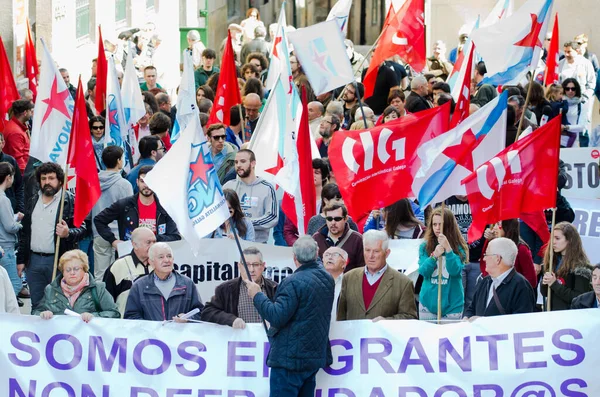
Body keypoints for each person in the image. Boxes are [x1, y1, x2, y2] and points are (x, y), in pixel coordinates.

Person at [244, 236, 334, 396]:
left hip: (290, 360)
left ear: (294, 257)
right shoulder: (327, 279)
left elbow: (277, 316)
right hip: (312, 357)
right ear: (317, 253)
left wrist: (257, 295)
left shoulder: (293, 282)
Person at [18, 162, 88, 310]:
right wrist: (21, 260)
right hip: (34, 261)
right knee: (37, 305)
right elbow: (25, 233)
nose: (47, 182)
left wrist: (67, 233)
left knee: (60, 305)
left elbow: (83, 229)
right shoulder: (32, 200)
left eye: (51, 178)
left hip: (58, 261)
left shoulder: (69, 201)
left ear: (60, 181)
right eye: (43, 178)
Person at [337, 230, 418, 321]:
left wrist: (387, 321)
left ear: (387, 253)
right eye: (367, 250)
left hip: (385, 335)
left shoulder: (403, 283)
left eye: (376, 251)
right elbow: (341, 317)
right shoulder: (348, 278)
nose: (371, 256)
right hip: (352, 335)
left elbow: (410, 318)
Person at [94, 165, 180, 248]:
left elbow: (175, 237)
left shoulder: (164, 208)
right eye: (142, 181)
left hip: (155, 258)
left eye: (150, 181)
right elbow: (99, 220)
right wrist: (113, 240)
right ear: (137, 182)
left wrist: (154, 239)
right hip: (130, 257)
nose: (146, 185)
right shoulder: (125, 204)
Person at [124, 242, 203, 321]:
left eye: (169, 256)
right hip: (151, 333)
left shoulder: (187, 284)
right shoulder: (139, 286)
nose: (166, 260)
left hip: (180, 333)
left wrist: (188, 319)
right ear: (151, 262)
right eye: (161, 257)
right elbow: (131, 317)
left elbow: (200, 312)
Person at [34, 250, 120, 321]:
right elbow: (36, 312)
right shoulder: (50, 289)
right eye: (68, 270)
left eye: (76, 269)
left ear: (85, 269)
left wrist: (94, 316)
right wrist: (43, 314)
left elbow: (114, 313)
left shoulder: (98, 288)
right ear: (62, 272)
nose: (72, 273)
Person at [202, 246, 277, 327]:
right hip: (237, 339)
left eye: (255, 264)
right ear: (239, 266)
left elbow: (286, 314)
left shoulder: (275, 288)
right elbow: (207, 312)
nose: (251, 269)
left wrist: (274, 320)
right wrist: (231, 320)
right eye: (246, 265)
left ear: (263, 266)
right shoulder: (226, 289)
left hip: (268, 339)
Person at [464, 238, 535, 319]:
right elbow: (471, 308)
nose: (484, 259)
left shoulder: (521, 286)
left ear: (498, 259)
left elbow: (521, 321)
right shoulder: (485, 281)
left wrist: (485, 322)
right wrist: (466, 317)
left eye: (486, 255)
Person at [91, 146, 133, 280]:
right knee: (120, 275)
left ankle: (100, 299)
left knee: (100, 274)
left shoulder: (93, 182)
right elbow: (130, 210)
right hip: (119, 234)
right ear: (119, 161)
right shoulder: (124, 185)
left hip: (98, 232)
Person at [418, 207, 467, 321]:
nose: (437, 228)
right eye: (434, 224)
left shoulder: (459, 247)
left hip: (452, 307)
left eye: (441, 224)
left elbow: (455, 271)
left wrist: (448, 250)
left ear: (449, 225)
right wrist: (434, 256)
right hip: (427, 305)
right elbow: (423, 271)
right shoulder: (425, 246)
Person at [223, 150, 278, 243]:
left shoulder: (266, 188)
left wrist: (246, 223)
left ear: (253, 163)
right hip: (230, 245)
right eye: (236, 162)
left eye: (243, 161)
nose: (238, 165)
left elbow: (272, 217)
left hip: (258, 245)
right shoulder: (228, 186)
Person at [103, 227, 156, 316]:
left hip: (154, 324)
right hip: (125, 325)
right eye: (148, 242)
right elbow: (106, 302)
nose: (152, 246)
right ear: (135, 245)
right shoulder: (118, 266)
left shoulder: (160, 265)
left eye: (154, 242)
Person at [541, 222, 593, 311]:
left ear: (570, 240)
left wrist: (554, 284)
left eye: (557, 238)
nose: (553, 242)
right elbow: (545, 293)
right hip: (551, 314)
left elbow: (579, 298)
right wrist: (545, 283)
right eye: (552, 238)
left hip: (569, 317)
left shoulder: (581, 267)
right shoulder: (552, 262)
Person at [480, 220, 537, 288]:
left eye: (498, 224)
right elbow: (485, 269)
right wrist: (490, 241)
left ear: (507, 227)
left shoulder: (521, 249)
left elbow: (531, 281)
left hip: (513, 294)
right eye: (494, 224)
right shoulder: (494, 244)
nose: (494, 228)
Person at [313, 203, 364, 272]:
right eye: (329, 219)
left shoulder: (357, 240)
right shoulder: (316, 238)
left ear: (345, 219)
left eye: (337, 219)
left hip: (347, 282)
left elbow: (362, 269)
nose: (333, 223)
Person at [0, 163, 23, 301]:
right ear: (8, 177)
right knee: (14, 284)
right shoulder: (3, 199)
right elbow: (9, 226)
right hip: (6, 247)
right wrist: (21, 225)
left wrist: (14, 218)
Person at [3, 99, 33, 173]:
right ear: (25, 112)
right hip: (23, 174)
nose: (32, 113)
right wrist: (25, 176)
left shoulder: (16, 127)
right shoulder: (15, 132)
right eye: (30, 111)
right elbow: (18, 159)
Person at [0, 133, 24, 213]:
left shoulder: (10, 161)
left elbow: (19, 186)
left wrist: (20, 209)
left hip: (10, 208)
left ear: (3, 143)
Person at [560, 78, 588, 147]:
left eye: (573, 89)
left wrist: (566, 127)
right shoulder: (559, 103)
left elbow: (582, 126)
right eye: (567, 89)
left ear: (576, 90)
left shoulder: (581, 106)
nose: (570, 91)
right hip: (558, 141)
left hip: (573, 143)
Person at [323, 246, 347, 321]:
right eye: (327, 255)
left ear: (344, 263)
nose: (330, 257)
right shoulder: (315, 283)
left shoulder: (349, 283)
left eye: (335, 255)